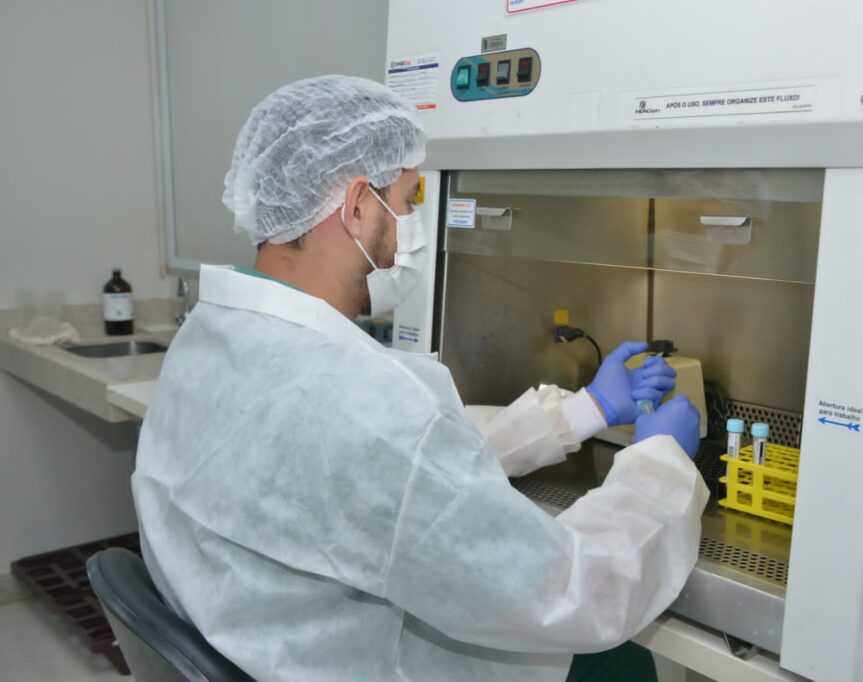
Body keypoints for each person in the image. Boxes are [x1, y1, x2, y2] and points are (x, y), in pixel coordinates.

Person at [132, 75, 709, 682]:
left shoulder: (212, 340)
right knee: (618, 659)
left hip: (257, 641)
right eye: (408, 200)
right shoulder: (351, 402)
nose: (411, 223)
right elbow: (581, 594)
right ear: (357, 206)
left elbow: (398, 469)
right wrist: (660, 467)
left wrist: (585, 411)